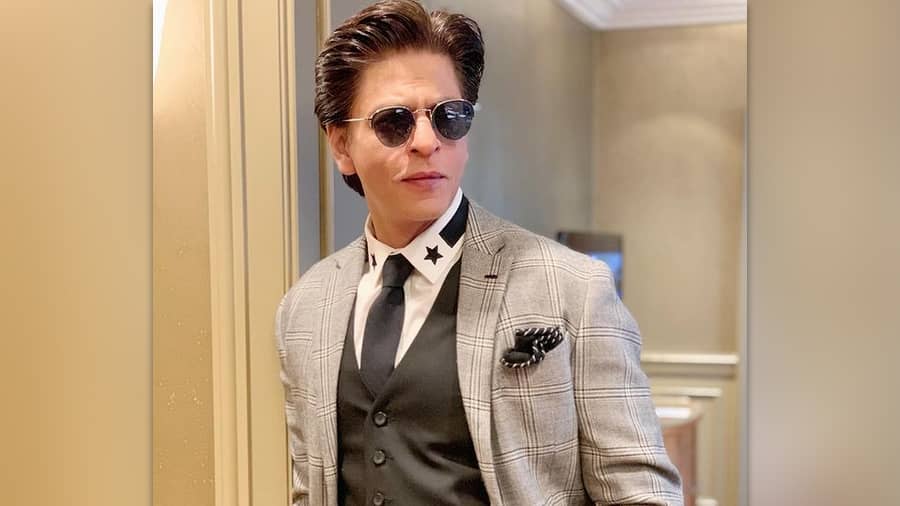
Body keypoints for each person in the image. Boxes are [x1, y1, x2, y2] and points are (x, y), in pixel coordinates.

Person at [274, 1, 683, 504]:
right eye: (394, 122)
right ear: (341, 145)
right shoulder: (304, 309)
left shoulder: (574, 288)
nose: (427, 142)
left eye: (448, 117)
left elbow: (641, 493)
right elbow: (309, 487)